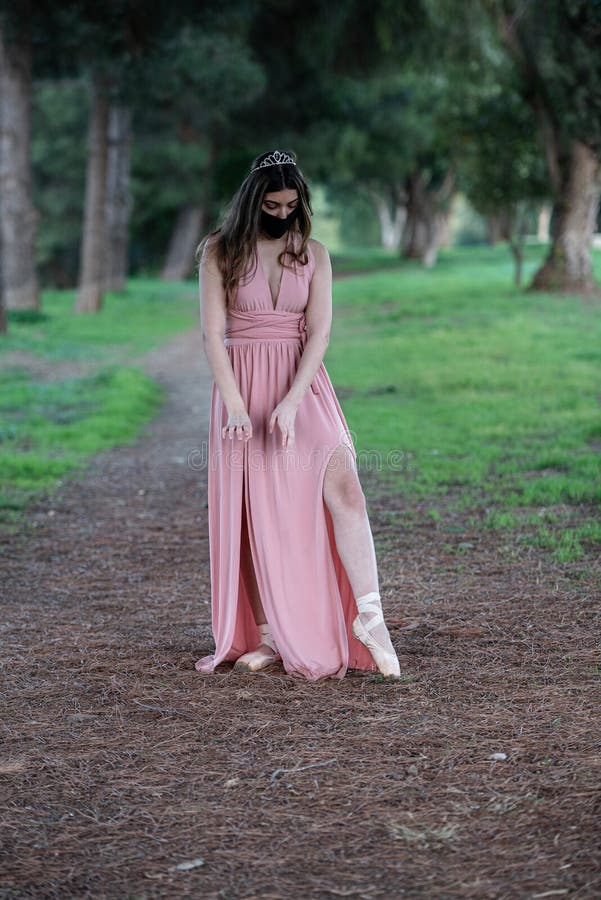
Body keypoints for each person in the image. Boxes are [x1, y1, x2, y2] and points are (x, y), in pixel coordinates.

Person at [195, 149, 400, 681]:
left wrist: (292, 399)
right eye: (272, 203)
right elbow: (211, 334)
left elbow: (321, 333)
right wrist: (237, 405)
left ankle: (371, 618)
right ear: (251, 201)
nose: (283, 213)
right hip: (242, 392)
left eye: (292, 204)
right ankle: (266, 637)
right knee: (254, 512)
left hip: (304, 388)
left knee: (345, 488)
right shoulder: (218, 252)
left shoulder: (315, 254)